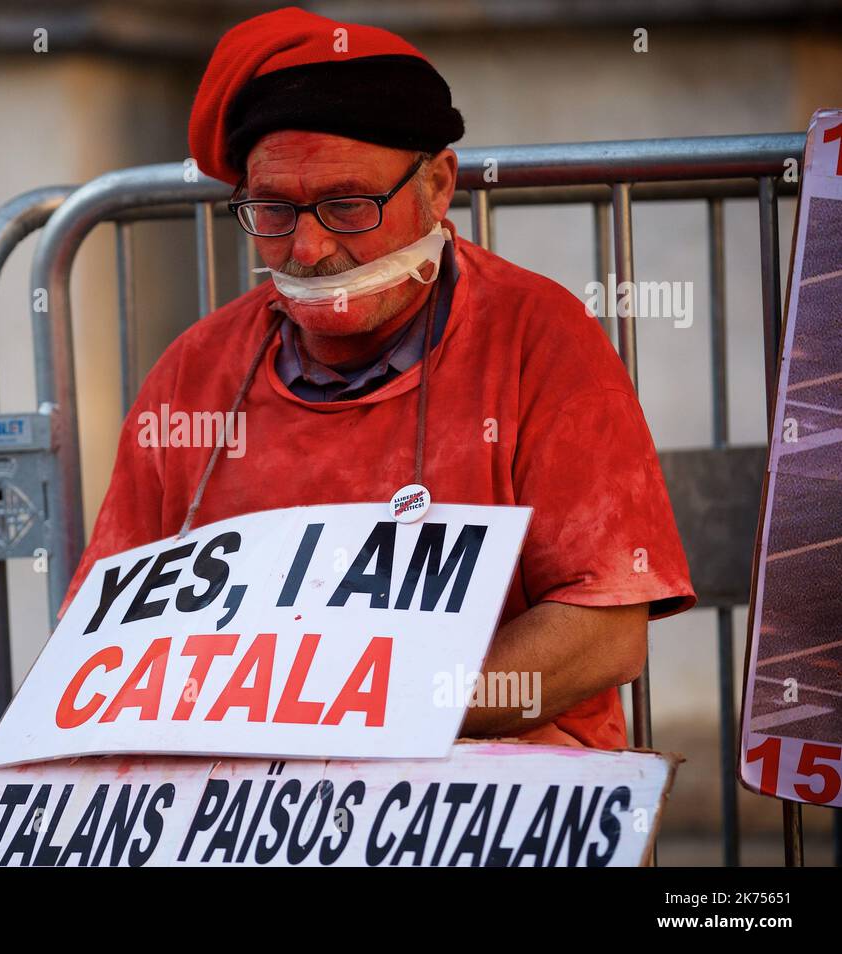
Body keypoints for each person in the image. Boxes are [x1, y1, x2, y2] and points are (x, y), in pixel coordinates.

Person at [61, 6, 696, 749]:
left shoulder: (540, 340)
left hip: (497, 799)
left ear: (437, 184)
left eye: (347, 206)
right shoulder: (194, 372)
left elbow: (604, 630)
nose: (309, 247)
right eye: (272, 209)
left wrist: (363, 715)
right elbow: (98, 644)